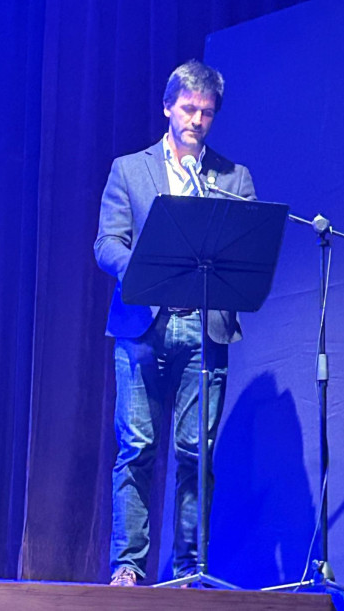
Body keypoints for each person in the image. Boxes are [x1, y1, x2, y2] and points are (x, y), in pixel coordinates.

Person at [94, 59, 256, 586]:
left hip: (204, 330)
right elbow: (106, 244)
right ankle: (127, 568)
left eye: (206, 113)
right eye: (188, 109)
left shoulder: (232, 178)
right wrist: (142, 270)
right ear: (167, 107)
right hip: (143, 327)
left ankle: (189, 573)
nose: (196, 120)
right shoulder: (129, 169)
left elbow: (247, 248)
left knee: (195, 454)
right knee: (137, 449)